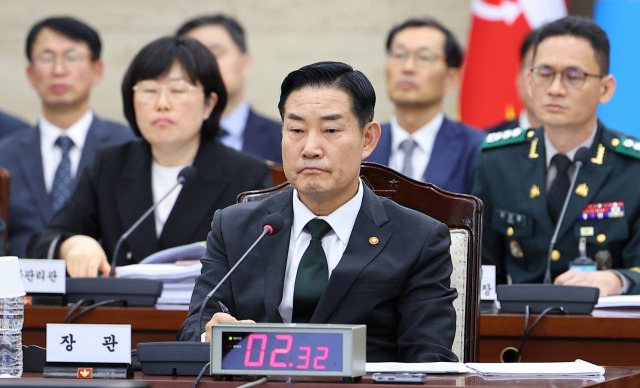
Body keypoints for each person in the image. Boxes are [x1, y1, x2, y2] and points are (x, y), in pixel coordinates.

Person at [178, 61, 458, 362]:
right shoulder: (235, 229)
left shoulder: (418, 239)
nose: (310, 147)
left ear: (368, 139)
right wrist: (211, 334)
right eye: (296, 129)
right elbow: (194, 329)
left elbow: (430, 358)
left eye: (331, 130)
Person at [27, 36, 271, 278]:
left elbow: (260, 269)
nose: (162, 103)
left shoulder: (245, 174)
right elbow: (42, 241)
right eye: (149, 90)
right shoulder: (110, 166)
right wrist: (71, 245)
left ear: (209, 103)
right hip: (122, 312)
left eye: (177, 90)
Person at [473, 16, 640, 296]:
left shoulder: (632, 167)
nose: (555, 89)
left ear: (606, 88)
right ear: (529, 80)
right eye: (545, 73)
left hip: (608, 331)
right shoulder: (498, 160)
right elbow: (480, 267)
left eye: (574, 76)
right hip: (516, 331)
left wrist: (618, 280)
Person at [0, 17, 135, 257]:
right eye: (47, 57)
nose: (59, 70)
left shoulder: (128, 146)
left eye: (72, 57)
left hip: (103, 289)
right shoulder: (5, 154)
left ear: (97, 70)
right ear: (31, 74)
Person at [366, 18, 484, 194]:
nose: (408, 67)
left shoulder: (477, 148)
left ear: (451, 77)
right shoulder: (363, 143)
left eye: (424, 57)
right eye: (399, 55)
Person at [177, 14, 282, 163]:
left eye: (215, 54)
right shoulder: (156, 140)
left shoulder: (283, 139)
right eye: (193, 57)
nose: (205, 65)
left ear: (245, 63)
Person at [487, 29, 543, 133]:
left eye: (570, 75)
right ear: (520, 76)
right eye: (543, 73)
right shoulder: (485, 143)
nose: (555, 88)